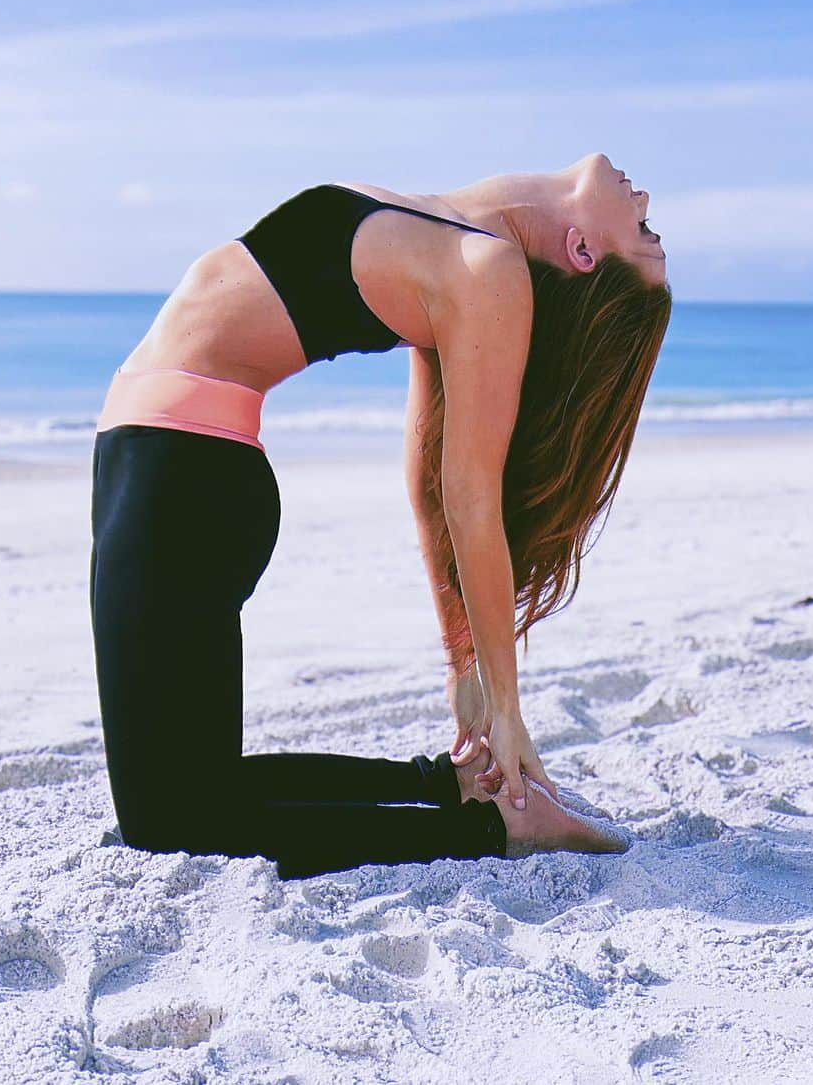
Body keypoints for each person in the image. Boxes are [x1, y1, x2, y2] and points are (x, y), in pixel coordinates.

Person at [89, 151, 671, 879]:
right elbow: (428, 487)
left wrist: (507, 709)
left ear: (583, 251)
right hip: (153, 463)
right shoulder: (460, 239)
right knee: (189, 794)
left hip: (183, 477)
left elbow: (470, 496)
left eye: (644, 227)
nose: (642, 193)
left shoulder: (490, 275)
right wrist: (464, 670)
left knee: (168, 822)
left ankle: (498, 828)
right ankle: (453, 788)